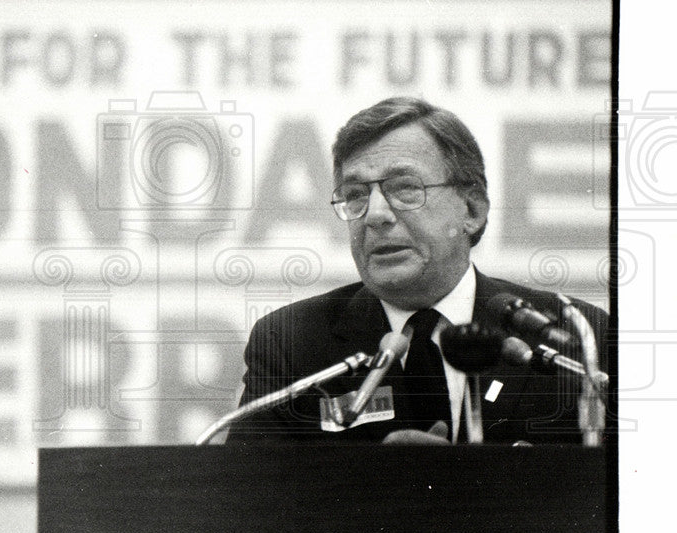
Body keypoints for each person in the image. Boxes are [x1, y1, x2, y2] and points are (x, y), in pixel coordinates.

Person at [225, 96, 611, 445]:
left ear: (472, 210)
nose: (375, 215)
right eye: (356, 195)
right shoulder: (292, 343)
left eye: (405, 187)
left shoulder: (573, 338)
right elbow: (245, 505)